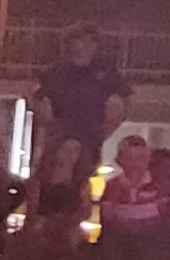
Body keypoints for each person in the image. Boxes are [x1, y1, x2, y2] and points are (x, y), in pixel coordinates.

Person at [32, 27, 131, 164]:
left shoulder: (106, 72)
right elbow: (37, 100)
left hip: (91, 138)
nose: (88, 45)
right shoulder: (55, 72)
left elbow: (125, 100)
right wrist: (51, 125)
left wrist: (109, 127)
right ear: (70, 43)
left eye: (92, 41)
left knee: (85, 174)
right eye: (82, 40)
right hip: (61, 138)